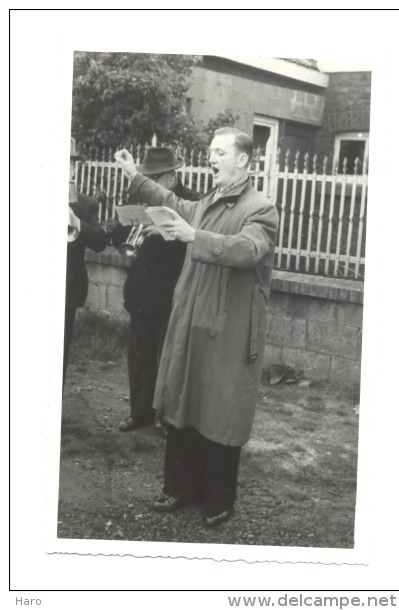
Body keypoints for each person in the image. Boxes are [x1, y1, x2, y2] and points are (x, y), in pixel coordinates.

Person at [115, 127, 279, 527]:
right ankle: (179, 489)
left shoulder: (261, 208)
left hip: (230, 331)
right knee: (183, 403)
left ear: (242, 160)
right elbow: (172, 201)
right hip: (192, 323)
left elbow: (249, 249)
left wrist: (195, 237)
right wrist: (135, 176)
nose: (211, 158)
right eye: (210, 152)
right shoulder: (207, 201)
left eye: (219, 152)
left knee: (220, 411)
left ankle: (217, 500)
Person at [107, 147, 199, 432]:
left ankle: (168, 418)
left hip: (171, 293)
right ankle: (140, 412)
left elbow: (197, 242)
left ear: (172, 176)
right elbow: (119, 235)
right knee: (139, 354)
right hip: (141, 290)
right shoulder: (140, 197)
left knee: (171, 359)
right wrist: (124, 226)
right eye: (147, 176)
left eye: (156, 177)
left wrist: (165, 232)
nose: (150, 182)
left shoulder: (191, 201)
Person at [64, 138, 107, 384]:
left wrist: (77, 222)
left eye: (68, 164)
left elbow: (101, 242)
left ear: (73, 169)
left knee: (60, 349)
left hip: (68, 288)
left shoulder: (86, 203)